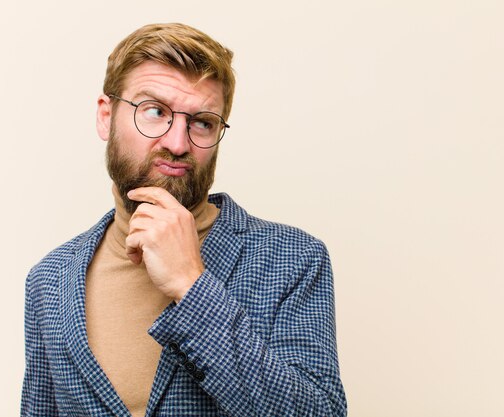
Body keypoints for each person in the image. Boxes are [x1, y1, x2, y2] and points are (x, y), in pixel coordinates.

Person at [21, 23, 346, 416]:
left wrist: (191, 286)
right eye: (155, 111)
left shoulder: (293, 259)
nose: (177, 143)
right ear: (106, 116)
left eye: (203, 122)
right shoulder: (49, 280)